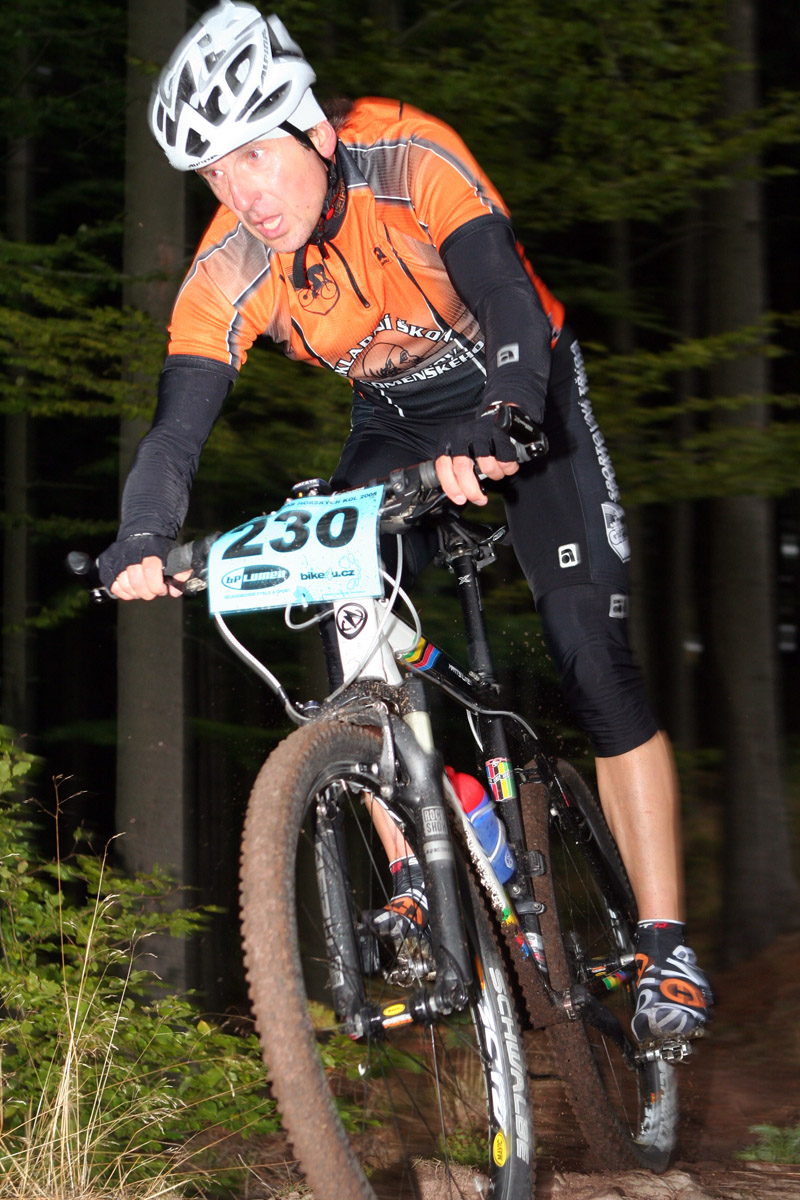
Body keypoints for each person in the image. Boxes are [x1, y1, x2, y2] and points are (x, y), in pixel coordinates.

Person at [99, 0, 712, 1044]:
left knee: (587, 650)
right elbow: (176, 429)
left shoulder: (407, 154)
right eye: (213, 172)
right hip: (396, 418)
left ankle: (666, 944)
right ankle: (420, 868)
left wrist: (506, 414)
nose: (242, 193)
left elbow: (505, 297)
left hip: (524, 380)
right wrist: (144, 537)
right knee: (342, 588)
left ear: (314, 131)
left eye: (254, 154)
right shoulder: (230, 266)